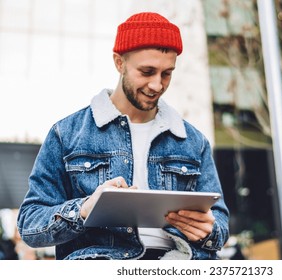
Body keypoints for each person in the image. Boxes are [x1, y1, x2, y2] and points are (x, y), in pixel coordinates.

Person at [17, 12, 229, 260]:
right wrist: (84, 209)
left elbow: (220, 223)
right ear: (119, 63)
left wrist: (209, 230)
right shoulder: (66, 134)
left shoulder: (194, 141)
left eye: (166, 73)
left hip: (183, 263)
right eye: (147, 71)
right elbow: (30, 224)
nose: (157, 85)